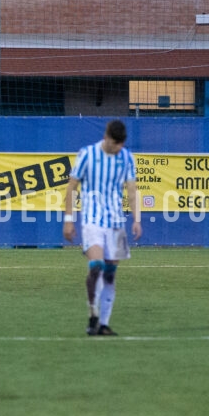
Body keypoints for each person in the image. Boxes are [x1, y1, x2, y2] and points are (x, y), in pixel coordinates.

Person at [63, 119, 142, 336]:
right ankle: (92, 315)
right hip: (92, 220)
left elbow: (132, 190)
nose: (119, 148)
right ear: (107, 137)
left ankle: (104, 324)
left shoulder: (126, 157)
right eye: (116, 143)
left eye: (122, 144)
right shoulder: (87, 154)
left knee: (110, 274)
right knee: (96, 267)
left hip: (116, 222)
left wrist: (137, 219)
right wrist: (68, 220)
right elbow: (71, 188)